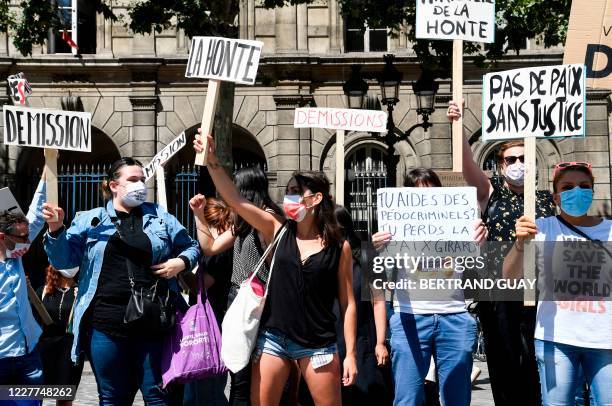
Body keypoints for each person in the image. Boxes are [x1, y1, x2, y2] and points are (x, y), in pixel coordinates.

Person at [194, 133, 358, 406]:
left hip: (319, 345)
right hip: (274, 341)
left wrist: (350, 353)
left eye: (296, 192)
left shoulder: (339, 247)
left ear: (316, 198)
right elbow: (235, 199)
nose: (288, 197)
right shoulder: (276, 228)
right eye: (288, 191)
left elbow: (348, 302)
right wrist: (212, 161)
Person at [42, 157, 200, 406]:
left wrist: (180, 262)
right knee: (112, 397)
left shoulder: (160, 216)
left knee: (158, 395)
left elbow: (192, 246)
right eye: (133, 180)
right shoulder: (89, 220)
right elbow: (64, 261)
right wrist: (55, 229)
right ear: (114, 185)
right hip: (105, 325)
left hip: (153, 322)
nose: (140, 185)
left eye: (142, 180)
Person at [447, 100, 555, 405]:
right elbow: (467, 167)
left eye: (524, 157)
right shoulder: (491, 191)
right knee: (506, 369)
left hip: (541, 295)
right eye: (511, 159)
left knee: (537, 370)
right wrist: (459, 126)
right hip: (499, 297)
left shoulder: (546, 198)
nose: (518, 163)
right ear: (500, 165)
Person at [371, 168, 486, 406]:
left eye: (431, 192)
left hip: (454, 317)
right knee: (407, 399)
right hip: (410, 318)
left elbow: (479, 267)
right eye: (417, 193)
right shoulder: (395, 227)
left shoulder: (460, 220)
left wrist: (481, 243)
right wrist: (376, 250)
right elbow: (377, 277)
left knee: (457, 399)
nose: (425, 198)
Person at [503, 162, 612, 406]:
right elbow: (509, 278)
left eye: (584, 186)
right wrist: (521, 244)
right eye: (568, 186)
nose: (577, 191)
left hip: (606, 340)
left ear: (593, 192)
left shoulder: (610, 230)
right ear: (555, 196)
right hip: (556, 340)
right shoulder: (541, 228)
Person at [189, 166, 286, 406]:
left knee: (251, 375)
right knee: (238, 372)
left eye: (234, 187)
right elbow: (210, 247)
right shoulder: (241, 222)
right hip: (237, 300)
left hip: (258, 302)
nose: (227, 195)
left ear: (244, 189)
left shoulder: (268, 218)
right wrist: (199, 216)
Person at [334, 206, 391, 406]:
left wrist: (380, 342)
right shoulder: (323, 258)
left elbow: (378, 301)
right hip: (329, 341)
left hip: (362, 340)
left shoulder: (366, 257)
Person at [0, 171, 46, 388]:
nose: (28, 241)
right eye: (22, 237)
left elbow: (36, 216)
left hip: (28, 351)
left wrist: (49, 165)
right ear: (2, 237)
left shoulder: (16, 254)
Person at [35, 265, 84, 406]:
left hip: (69, 353)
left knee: (64, 398)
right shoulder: (43, 291)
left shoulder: (82, 291)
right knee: (36, 396)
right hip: (43, 352)